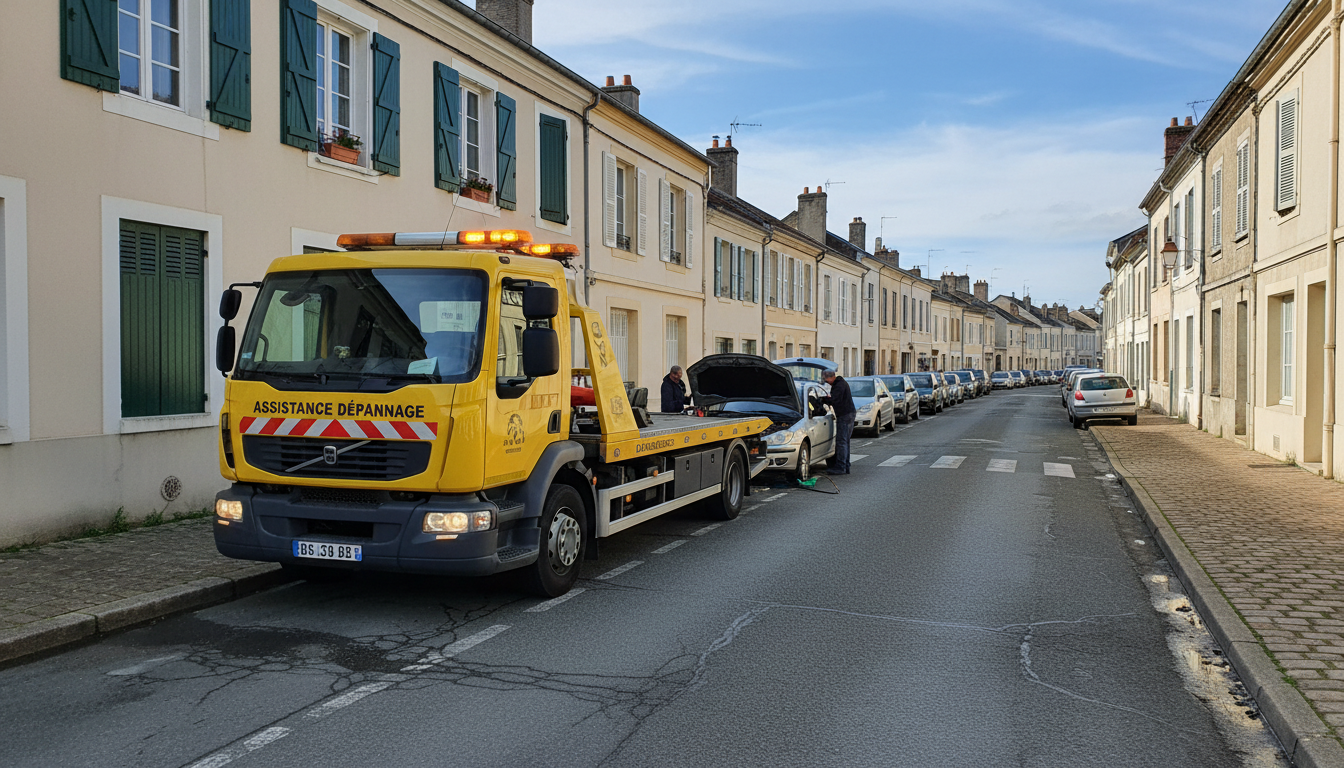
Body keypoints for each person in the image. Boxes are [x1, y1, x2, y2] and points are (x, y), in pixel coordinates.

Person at [821, 370, 855, 474]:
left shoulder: (839, 385)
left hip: (844, 415)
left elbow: (835, 400)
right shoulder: (840, 383)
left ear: (831, 377)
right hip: (848, 413)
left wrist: (823, 400)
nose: (826, 382)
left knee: (841, 442)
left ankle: (840, 467)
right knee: (846, 441)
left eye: (826, 380)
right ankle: (846, 465)